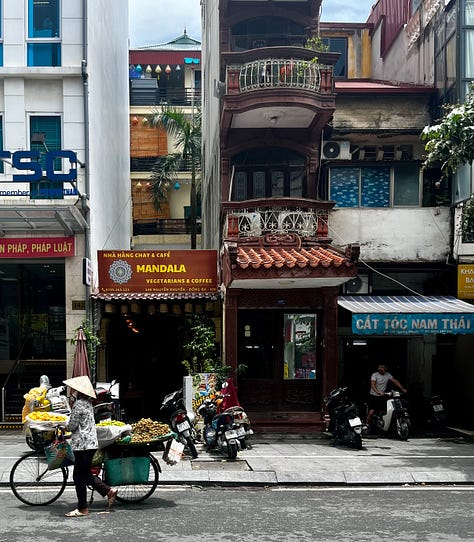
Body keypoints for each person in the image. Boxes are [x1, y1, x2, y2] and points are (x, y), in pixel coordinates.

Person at [63, 375, 117, 517]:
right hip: (90, 443)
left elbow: (72, 425)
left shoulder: (79, 404)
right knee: (85, 473)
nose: (72, 392)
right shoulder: (87, 403)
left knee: (78, 476)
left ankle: (82, 508)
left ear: (79, 391)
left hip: (83, 445)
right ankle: (108, 491)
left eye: (74, 390)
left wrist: (63, 427)